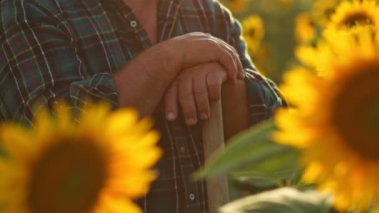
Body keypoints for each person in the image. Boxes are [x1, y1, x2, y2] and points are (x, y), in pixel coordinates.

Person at [0, 0, 285, 212]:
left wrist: (223, 78)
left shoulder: (205, 12)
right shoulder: (29, 10)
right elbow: (55, 134)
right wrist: (172, 57)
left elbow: (278, 138)